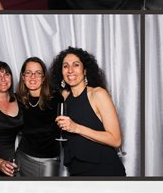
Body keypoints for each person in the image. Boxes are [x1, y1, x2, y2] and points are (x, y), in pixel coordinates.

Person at [51, 47, 126, 176]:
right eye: (65, 66)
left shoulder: (98, 94)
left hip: (104, 170)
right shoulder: (64, 97)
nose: (70, 70)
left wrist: (76, 128)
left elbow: (116, 140)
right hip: (76, 171)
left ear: (85, 70)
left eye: (76, 65)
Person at [14, 57, 61, 177]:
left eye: (38, 73)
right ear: (23, 77)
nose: (33, 77)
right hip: (22, 156)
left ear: (44, 78)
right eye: (28, 73)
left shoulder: (56, 99)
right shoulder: (17, 100)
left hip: (47, 160)